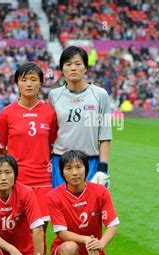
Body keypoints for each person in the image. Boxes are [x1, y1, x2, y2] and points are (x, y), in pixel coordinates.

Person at [0, 62, 57, 255]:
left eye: (33, 79)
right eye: (24, 79)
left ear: (41, 82)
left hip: (43, 181)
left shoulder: (49, 113)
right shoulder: (7, 113)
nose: (29, 84)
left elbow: (52, 144)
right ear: (17, 83)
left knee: (40, 230)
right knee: (19, 229)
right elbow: (1, 150)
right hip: (17, 182)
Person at [47, 150, 119, 255]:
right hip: (65, 249)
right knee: (70, 247)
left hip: (93, 252)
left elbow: (113, 226)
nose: (74, 172)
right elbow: (62, 233)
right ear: (62, 172)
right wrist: (87, 240)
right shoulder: (54, 196)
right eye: (68, 168)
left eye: (78, 167)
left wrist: (100, 244)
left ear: (86, 169)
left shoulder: (101, 192)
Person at [48, 46, 112, 190]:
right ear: (62, 68)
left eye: (78, 64)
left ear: (85, 68)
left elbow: (105, 134)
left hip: (90, 162)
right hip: (61, 162)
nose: (73, 68)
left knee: (91, 210)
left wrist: (103, 168)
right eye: (68, 64)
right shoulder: (54, 95)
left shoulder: (100, 95)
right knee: (61, 209)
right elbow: (51, 132)